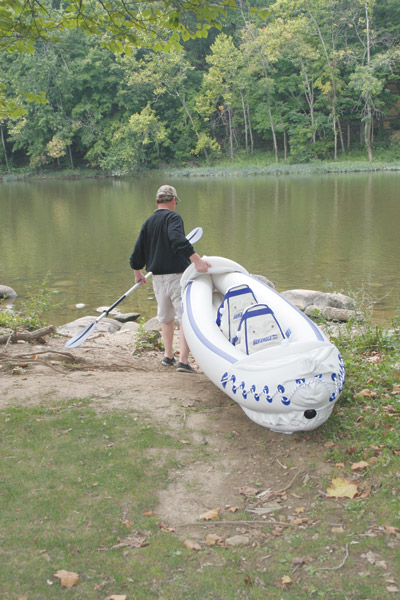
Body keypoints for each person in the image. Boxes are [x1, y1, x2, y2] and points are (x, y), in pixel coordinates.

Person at [129, 184, 210, 373]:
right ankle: (183, 360)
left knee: (166, 319)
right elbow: (176, 238)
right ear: (173, 200)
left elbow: (137, 251)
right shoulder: (174, 217)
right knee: (185, 319)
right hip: (176, 277)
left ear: (157, 201)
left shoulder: (148, 222)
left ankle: (168, 356)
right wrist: (196, 259)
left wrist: (137, 273)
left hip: (158, 279)